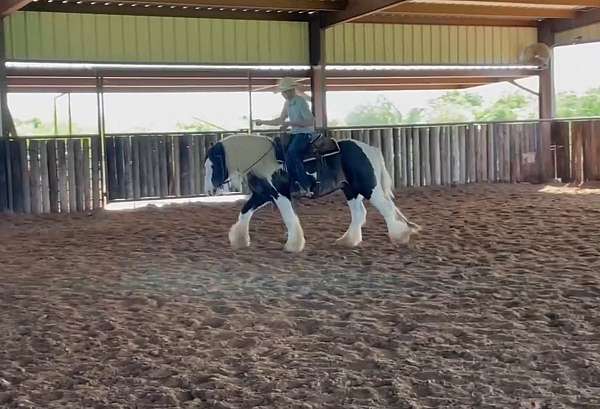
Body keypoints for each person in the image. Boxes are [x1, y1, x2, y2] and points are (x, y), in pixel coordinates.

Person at [255, 77, 316, 197]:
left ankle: (306, 185)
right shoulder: (287, 103)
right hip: (295, 133)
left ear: (293, 90)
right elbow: (280, 120)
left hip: (305, 133)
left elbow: (310, 121)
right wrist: (263, 122)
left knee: (292, 153)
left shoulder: (301, 102)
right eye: (284, 92)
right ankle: (294, 187)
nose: (285, 94)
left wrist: (289, 124)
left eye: (288, 91)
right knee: (286, 156)